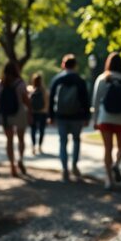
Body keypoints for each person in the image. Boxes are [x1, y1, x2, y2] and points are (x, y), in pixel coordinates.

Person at [92, 52, 121, 190]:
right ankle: (116, 165)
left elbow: (96, 101)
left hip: (105, 118)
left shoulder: (102, 78)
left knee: (107, 149)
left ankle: (109, 179)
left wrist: (95, 120)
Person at [49, 54, 90, 182]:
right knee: (76, 140)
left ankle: (65, 169)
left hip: (61, 116)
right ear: (75, 65)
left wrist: (51, 116)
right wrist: (86, 116)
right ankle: (74, 165)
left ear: (63, 64)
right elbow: (85, 100)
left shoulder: (57, 80)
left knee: (63, 142)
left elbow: (51, 100)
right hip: (77, 116)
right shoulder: (80, 80)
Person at [0, 62, 32, 177]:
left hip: (6, 115)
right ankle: (20, 159)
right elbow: (26, 100)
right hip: (19, 113)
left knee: (9, 140)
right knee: (21, 139)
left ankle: (12, 165)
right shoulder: (20, 83)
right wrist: (30, 113)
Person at [28, 72, 48, 155]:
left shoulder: (30, 89)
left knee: (33, 130)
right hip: (42, 113)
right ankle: (39, 146)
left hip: (33, 112)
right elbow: (47, 102)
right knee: (41, 130)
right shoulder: (44, 90)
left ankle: (33, 146)